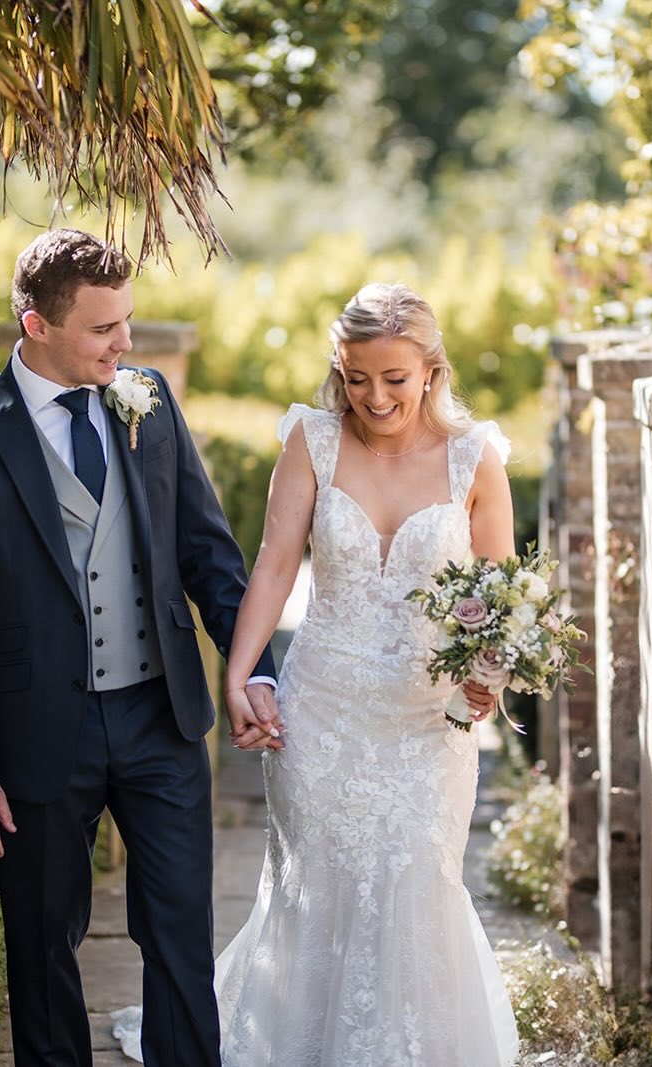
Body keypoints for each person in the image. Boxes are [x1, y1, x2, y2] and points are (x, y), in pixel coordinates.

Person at [0, 228, 282, 1067]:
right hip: (40, 733)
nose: (125, 342)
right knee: (42, 948)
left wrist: (252, 667)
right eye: (102, 328)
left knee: (182, 935)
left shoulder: (146, 400)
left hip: (162, 717)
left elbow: (210, 558)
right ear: (35, 324)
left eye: (127, 322)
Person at [137, 282, 520, 1064]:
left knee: (417, 883)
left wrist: (491, 675)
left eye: (393, 378)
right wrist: (241, 676)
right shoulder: (310, 442)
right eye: (354, 377)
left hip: (426, 721)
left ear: (431, 369)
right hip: (322, 712)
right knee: (319, 885)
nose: (373, 397)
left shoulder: (473, 458)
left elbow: (500, 590)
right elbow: (274, 566)